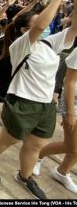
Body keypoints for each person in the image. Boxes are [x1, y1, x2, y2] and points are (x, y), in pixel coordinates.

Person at [0, 0, 77, 199]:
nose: (43, 29)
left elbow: (74, 28)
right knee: (10, 138)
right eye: (34, 26)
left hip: (45, 106)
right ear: (24, 30)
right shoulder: (21, 45)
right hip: (22, 102)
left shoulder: (49, 44)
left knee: (34, 145)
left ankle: (24, 176)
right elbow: (41, 27)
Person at [33, 46, 77, 194]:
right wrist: (70, 112)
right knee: (72, 146)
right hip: (73, 102)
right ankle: (38, 155)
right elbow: (69, 82)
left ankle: (62, 172)